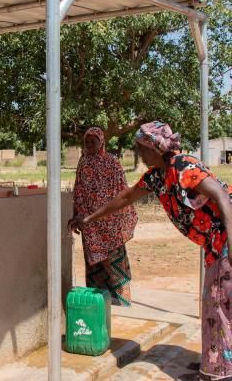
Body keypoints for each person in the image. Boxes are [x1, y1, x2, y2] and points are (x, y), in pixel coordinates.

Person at [69, 121, 232, 381]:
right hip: (215, 242)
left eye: (141, 148)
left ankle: (219, 373)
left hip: (226, 238)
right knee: (214, 302)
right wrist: (89, 218)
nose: (139, 153)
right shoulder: (156, 176)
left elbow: (223, 196)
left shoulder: (183, 166)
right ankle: (213, 362)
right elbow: (125, 198)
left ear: (155, 147)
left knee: (218, 304)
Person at [68, 127, 137, 306]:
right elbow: (79, 190)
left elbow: (123, 190)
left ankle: (122, 298)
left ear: (102, 142)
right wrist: (77, 215)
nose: (90, 145)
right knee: (95, 261)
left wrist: (119, 216)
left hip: (110, 221)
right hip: (89, 221)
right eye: (87, 142)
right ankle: (99, 300)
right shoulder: (83, 163)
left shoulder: (112, 162)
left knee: (113, 259)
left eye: (93, 141)